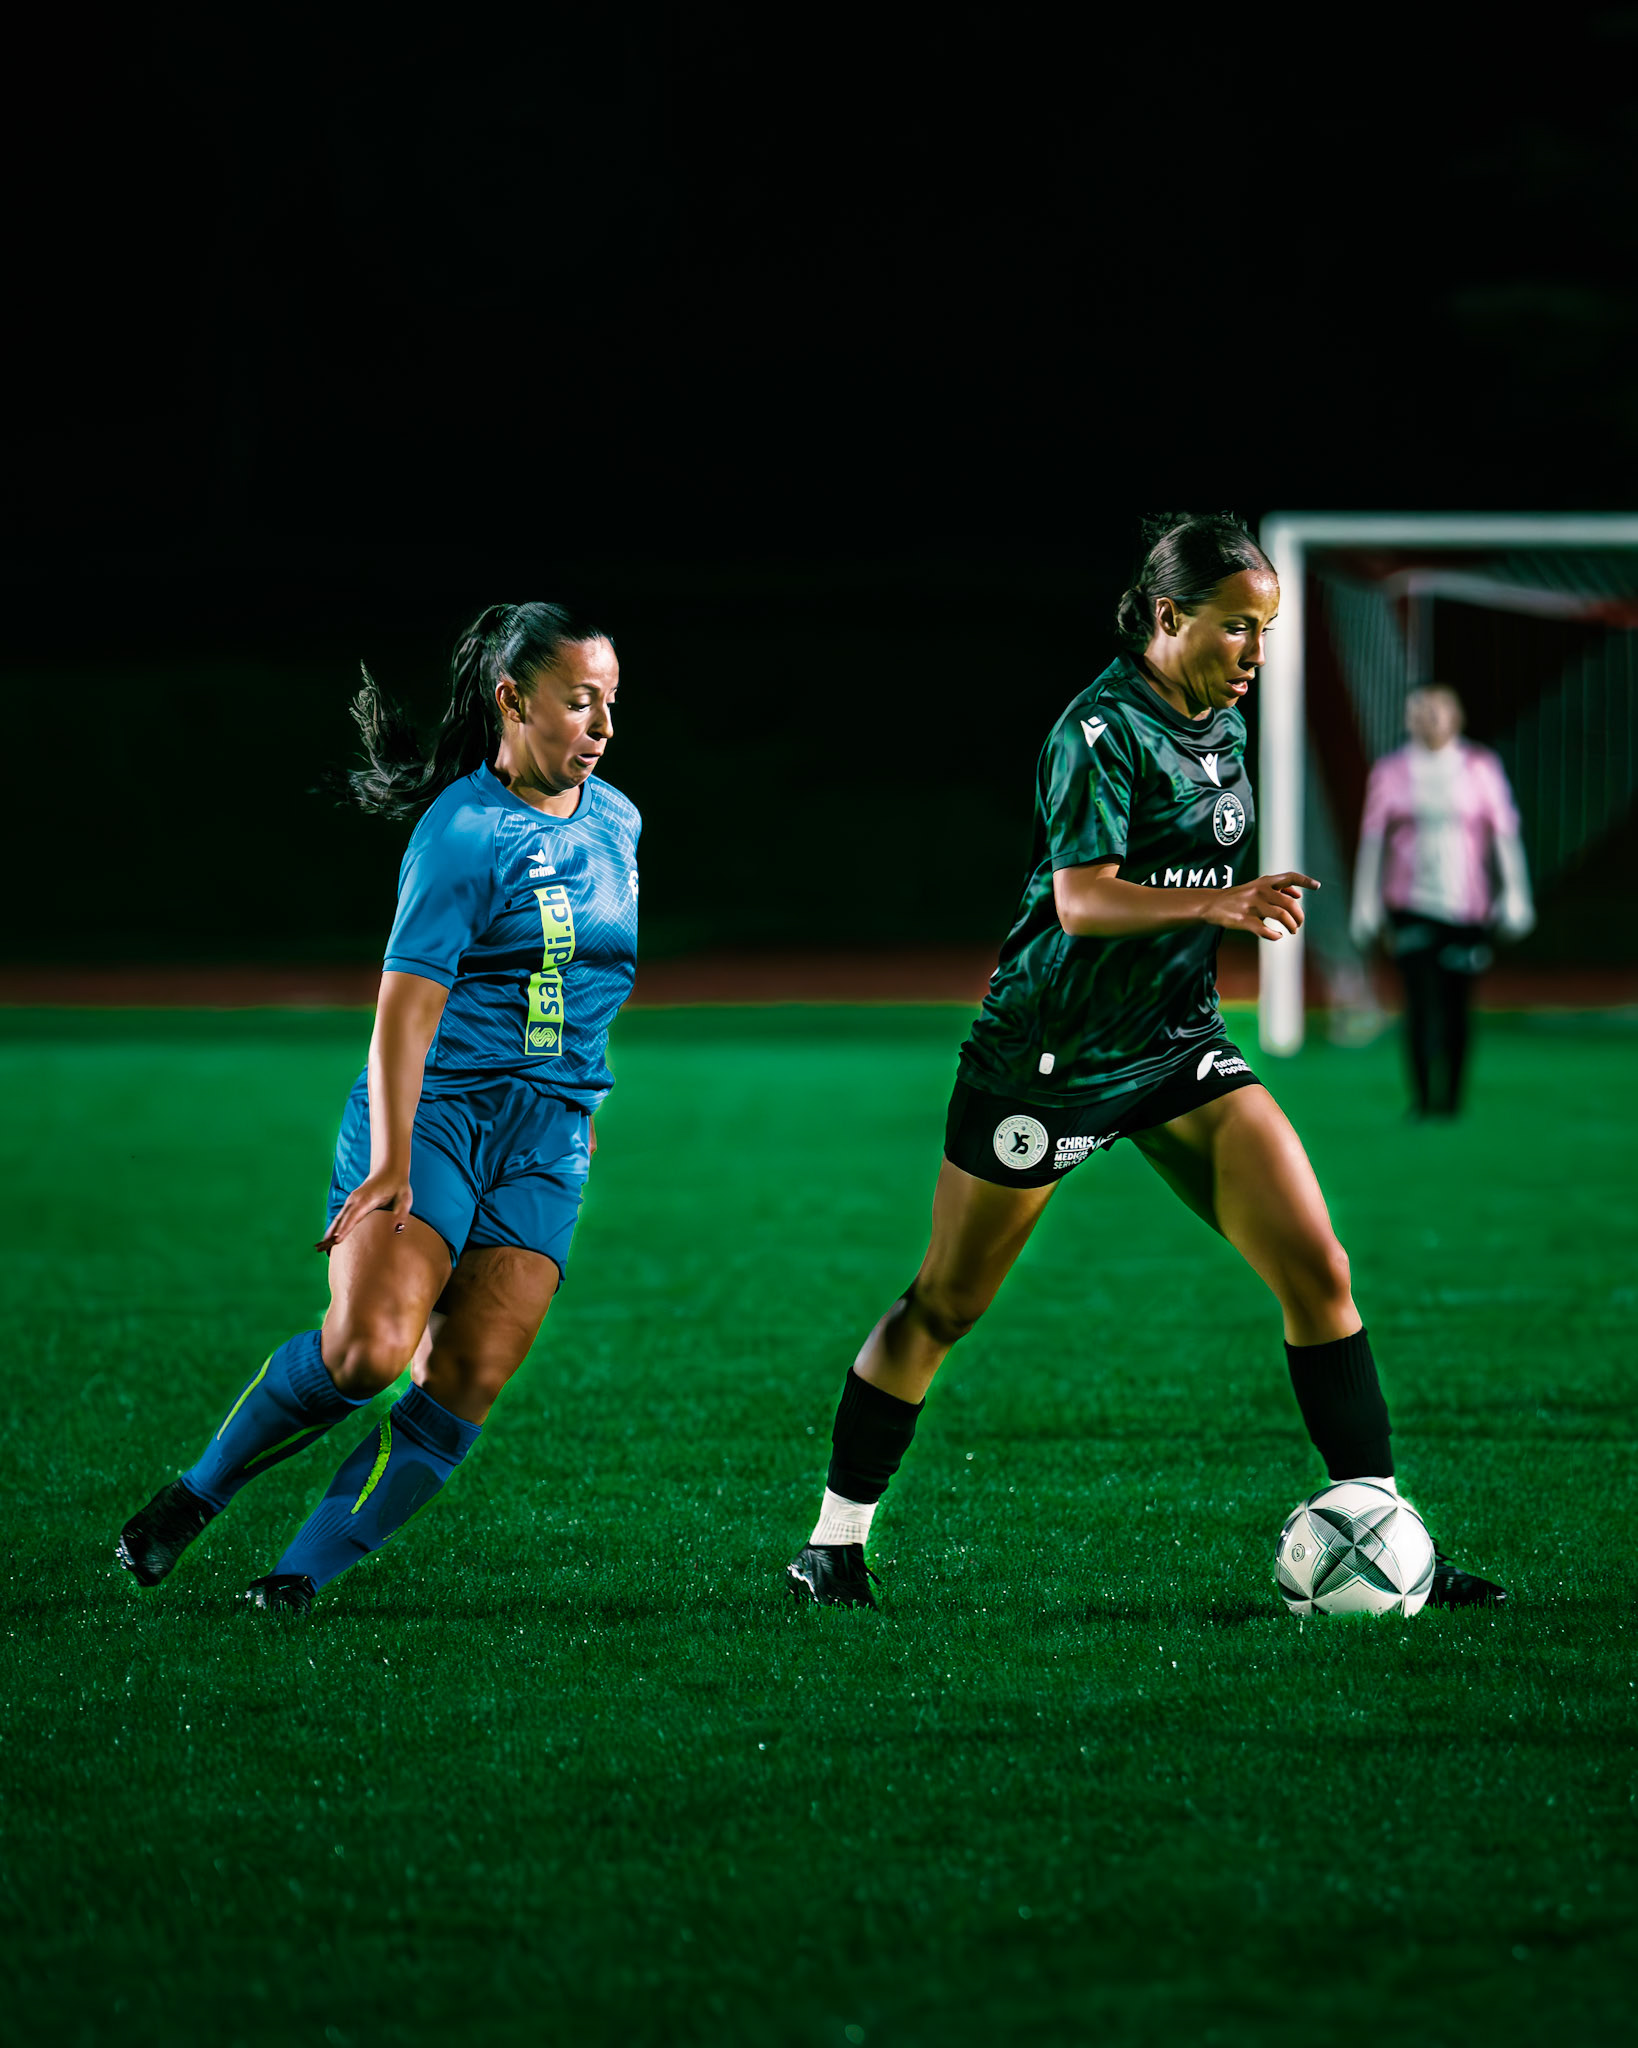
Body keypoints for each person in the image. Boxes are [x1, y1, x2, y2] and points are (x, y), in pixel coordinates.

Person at [786, 514, 1507, 1612]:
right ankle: (833, 1544)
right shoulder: (1099, 731)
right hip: (1051, 1059)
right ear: (1168, 616)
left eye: (1266, 629)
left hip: (1176, 1046)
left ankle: (1382, 1529)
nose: (1255, 652)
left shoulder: (1223, 726)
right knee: (946, 1304)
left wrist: (1216, 919)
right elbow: (1082, 900)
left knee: (1318, 1267)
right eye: (1237, 627)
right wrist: (1220, 903)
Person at [117, 603, 639, 1613]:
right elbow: (404, 1011)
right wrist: (392, 1160)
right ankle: (195, 1495)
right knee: (366, 1352)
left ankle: (297, 1578)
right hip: (435, 1112)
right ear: (513, 701)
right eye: (582, 702)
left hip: (547, 1134)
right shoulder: (462, 832)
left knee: (466, 1376)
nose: (604, 727)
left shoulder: (619, 821)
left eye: (612, 703)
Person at [1350, 685, 1534, 1117]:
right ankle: (1421, 1098)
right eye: (1420, 711)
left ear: (1456, 717)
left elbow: (1504, 834)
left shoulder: (1480, 767)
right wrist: (1365, 903)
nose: (1428, 718)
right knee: (1419, 1001)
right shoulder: (1391, 771)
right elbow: (1373, 840)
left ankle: (1451, 1098)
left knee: (1456, 1004)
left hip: (1465, 909)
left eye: (1437, 710)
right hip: (1410, 903)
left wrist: (1516, 895)